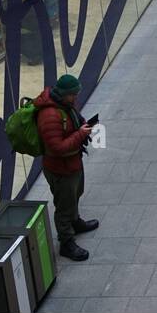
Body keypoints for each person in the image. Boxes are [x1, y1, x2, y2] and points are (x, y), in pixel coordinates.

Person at [35, 74, 97, 261]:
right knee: (63, 205)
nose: (76, 97)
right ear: (64, 94)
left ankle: (75, 221)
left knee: (75, 194)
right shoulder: (50, 116)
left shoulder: (64, 106)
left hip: (72, 163)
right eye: (74, 94)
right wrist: (80, 134)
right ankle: (66, 242)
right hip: (60, 169)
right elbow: (57, 148)